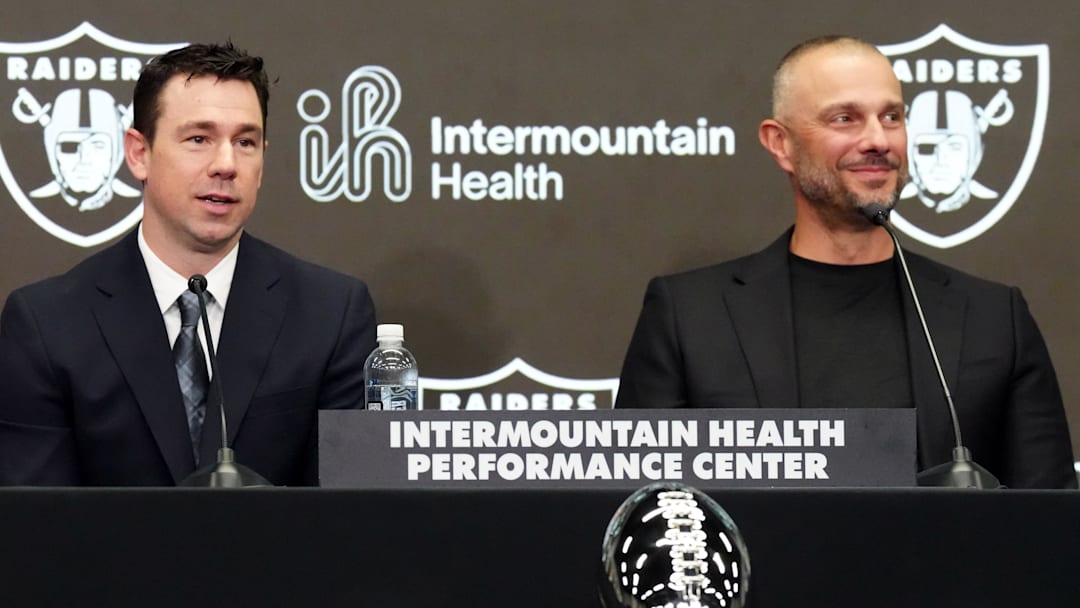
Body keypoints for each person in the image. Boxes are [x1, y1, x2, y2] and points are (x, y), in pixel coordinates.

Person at [615, 36, 1075, 489]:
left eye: (891, 116)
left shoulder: (994, 319)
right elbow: (641, 513)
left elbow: (1054, 527)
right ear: (780, 144)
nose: (877, 139)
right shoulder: (690, 317)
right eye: (845, 118)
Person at [0, 42, 377, 486]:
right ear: (139, 153)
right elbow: (35, 528)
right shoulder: (47, 324)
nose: (226, 164)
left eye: (246, 142)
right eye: (199, 139)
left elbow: (351, 515)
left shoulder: (331, 313)